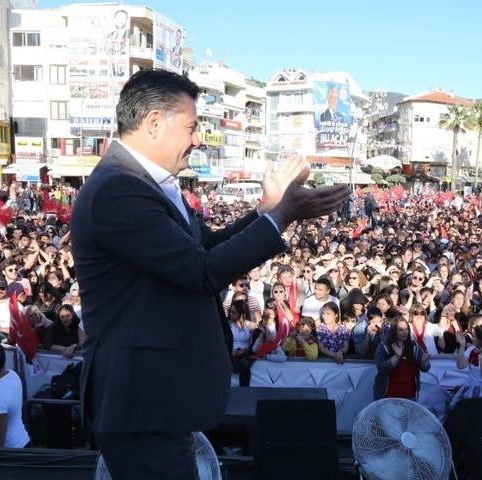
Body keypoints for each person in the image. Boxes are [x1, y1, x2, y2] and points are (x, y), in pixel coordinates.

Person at [71, 69, 348, 479]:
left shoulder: (147, 183)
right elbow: (202, 271)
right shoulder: (119, 187)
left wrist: (267, 211)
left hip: (155, 397)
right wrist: (284, 213)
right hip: (141, 399)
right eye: (192, 127)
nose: (198, 139)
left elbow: (206, 247)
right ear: (153, 123)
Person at [373, 317, 431, 400]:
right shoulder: (384, 346)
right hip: (387, 397)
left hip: (409, 397)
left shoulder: (414, 346)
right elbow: (382, 369)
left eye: (406, 329)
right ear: (394, 331)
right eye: (400, 329)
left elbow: (426, 368)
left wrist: (424, 362)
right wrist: (397, 356)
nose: (404, 332)